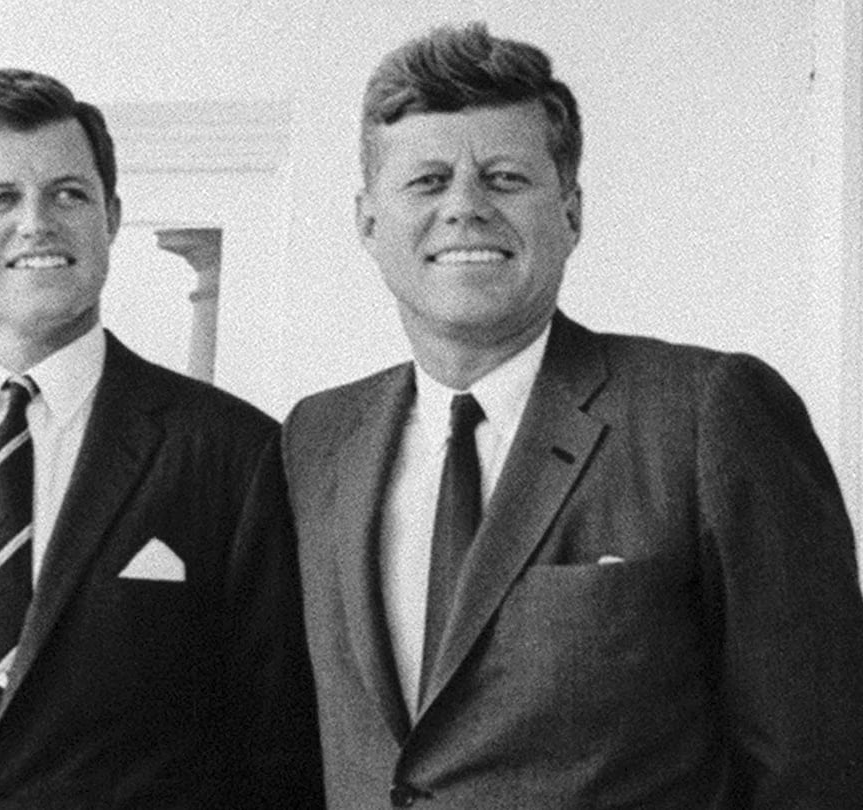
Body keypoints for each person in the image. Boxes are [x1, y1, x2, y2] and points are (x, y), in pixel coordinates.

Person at [282, 22, 863, 808]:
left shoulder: (708, 415)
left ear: (572, 212)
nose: (464, 208)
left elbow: (814, 766)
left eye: (505, 177)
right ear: (367, 221)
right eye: (426, 181)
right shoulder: (315, 441)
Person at [0, 68, 322, 808]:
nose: (37, 222)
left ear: (110, 218)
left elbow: (274, 754)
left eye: (69, 194)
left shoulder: (234, 453)